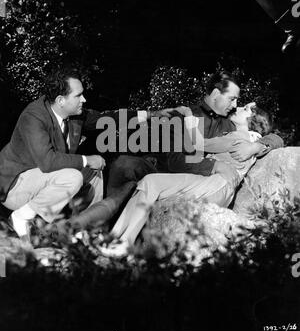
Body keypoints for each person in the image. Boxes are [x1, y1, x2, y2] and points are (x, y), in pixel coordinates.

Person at [0, 66, 175, 243]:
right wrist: (86, 160)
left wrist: (151, 114)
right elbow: (47, 162)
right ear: (61, 100)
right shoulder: (34, 116)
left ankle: (82, 230)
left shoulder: (75, 114)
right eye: (78, 95)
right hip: (16, 187)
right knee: (74, 176)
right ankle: (21, 218)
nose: (84, 99)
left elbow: (107, 120)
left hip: (46, 181)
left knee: (94, 173)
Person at [102, 102, 283, 257]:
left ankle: (121, 241)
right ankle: (120, 240)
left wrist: (188, 116)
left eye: (244, 109)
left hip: (215, 185)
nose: (237, 107)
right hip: (216, 188)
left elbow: (198, 143)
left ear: (252, 121)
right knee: (151, 183)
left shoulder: (239, 138)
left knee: (151, 182)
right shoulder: (246, 140)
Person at [106, 71, 283, 211]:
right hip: (165, 168)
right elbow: (175, 161)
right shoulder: (183, 116)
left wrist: (256, 145)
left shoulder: (231, 125)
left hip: (199, 182)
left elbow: (275, 137)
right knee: (124, 164)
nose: (235, 105)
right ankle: (104, 224)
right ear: (215, 94)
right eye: (232, 99)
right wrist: (213, 165)